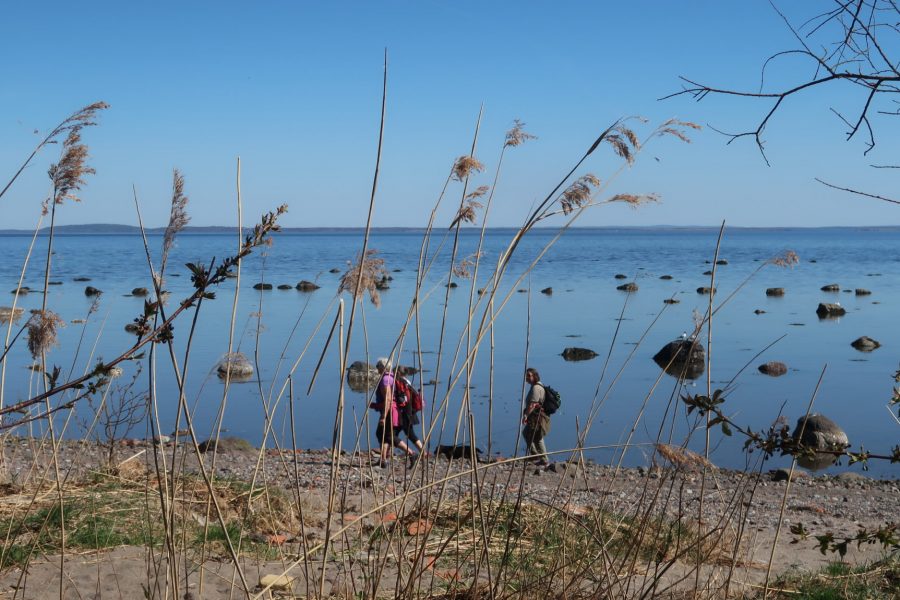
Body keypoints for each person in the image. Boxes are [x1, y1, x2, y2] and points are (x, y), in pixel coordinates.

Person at [373, 357, 413, 466]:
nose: (376, 368)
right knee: (383, 434)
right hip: (394, 410)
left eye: (378, 366)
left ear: (383, 367)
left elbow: (388, 398)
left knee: (387, 436)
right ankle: (383, 460)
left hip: (390, 411)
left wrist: (383, 416)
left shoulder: (385, 380)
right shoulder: (391, 377)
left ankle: (410, 453)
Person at [396, 366, 428, 458]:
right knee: (406, 433)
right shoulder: (407, 381)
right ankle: (422, 452)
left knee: (396, 434)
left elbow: (402, 399)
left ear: (398, 373)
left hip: (405, 412)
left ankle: (419, 452)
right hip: (410, 411)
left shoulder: (401, 383)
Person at [522, 367, 551, 466]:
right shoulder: (536, 386)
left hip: (537, 417)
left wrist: (525, 415)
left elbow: (532, 405)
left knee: (536, 437)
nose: (527, 378)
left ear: (535, 376)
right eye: (526, 376)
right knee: (531, 435)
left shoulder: (536, 388)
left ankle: (541, 458)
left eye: (529, 375)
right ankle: (537, 456)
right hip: (536, 416)